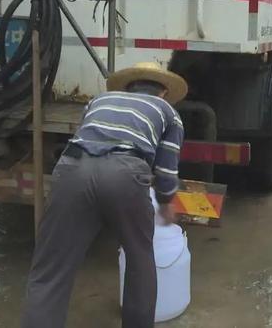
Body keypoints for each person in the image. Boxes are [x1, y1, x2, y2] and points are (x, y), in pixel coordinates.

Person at [21, 62, 188, 328]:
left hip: (72, 170)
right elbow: (167, 167)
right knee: (139, 258)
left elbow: (86, 137)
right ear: (164, 92)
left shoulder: (100, 100)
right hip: (125, 173)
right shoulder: (168, 111)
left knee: (50, 270)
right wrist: (167, 200)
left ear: (129, 87)